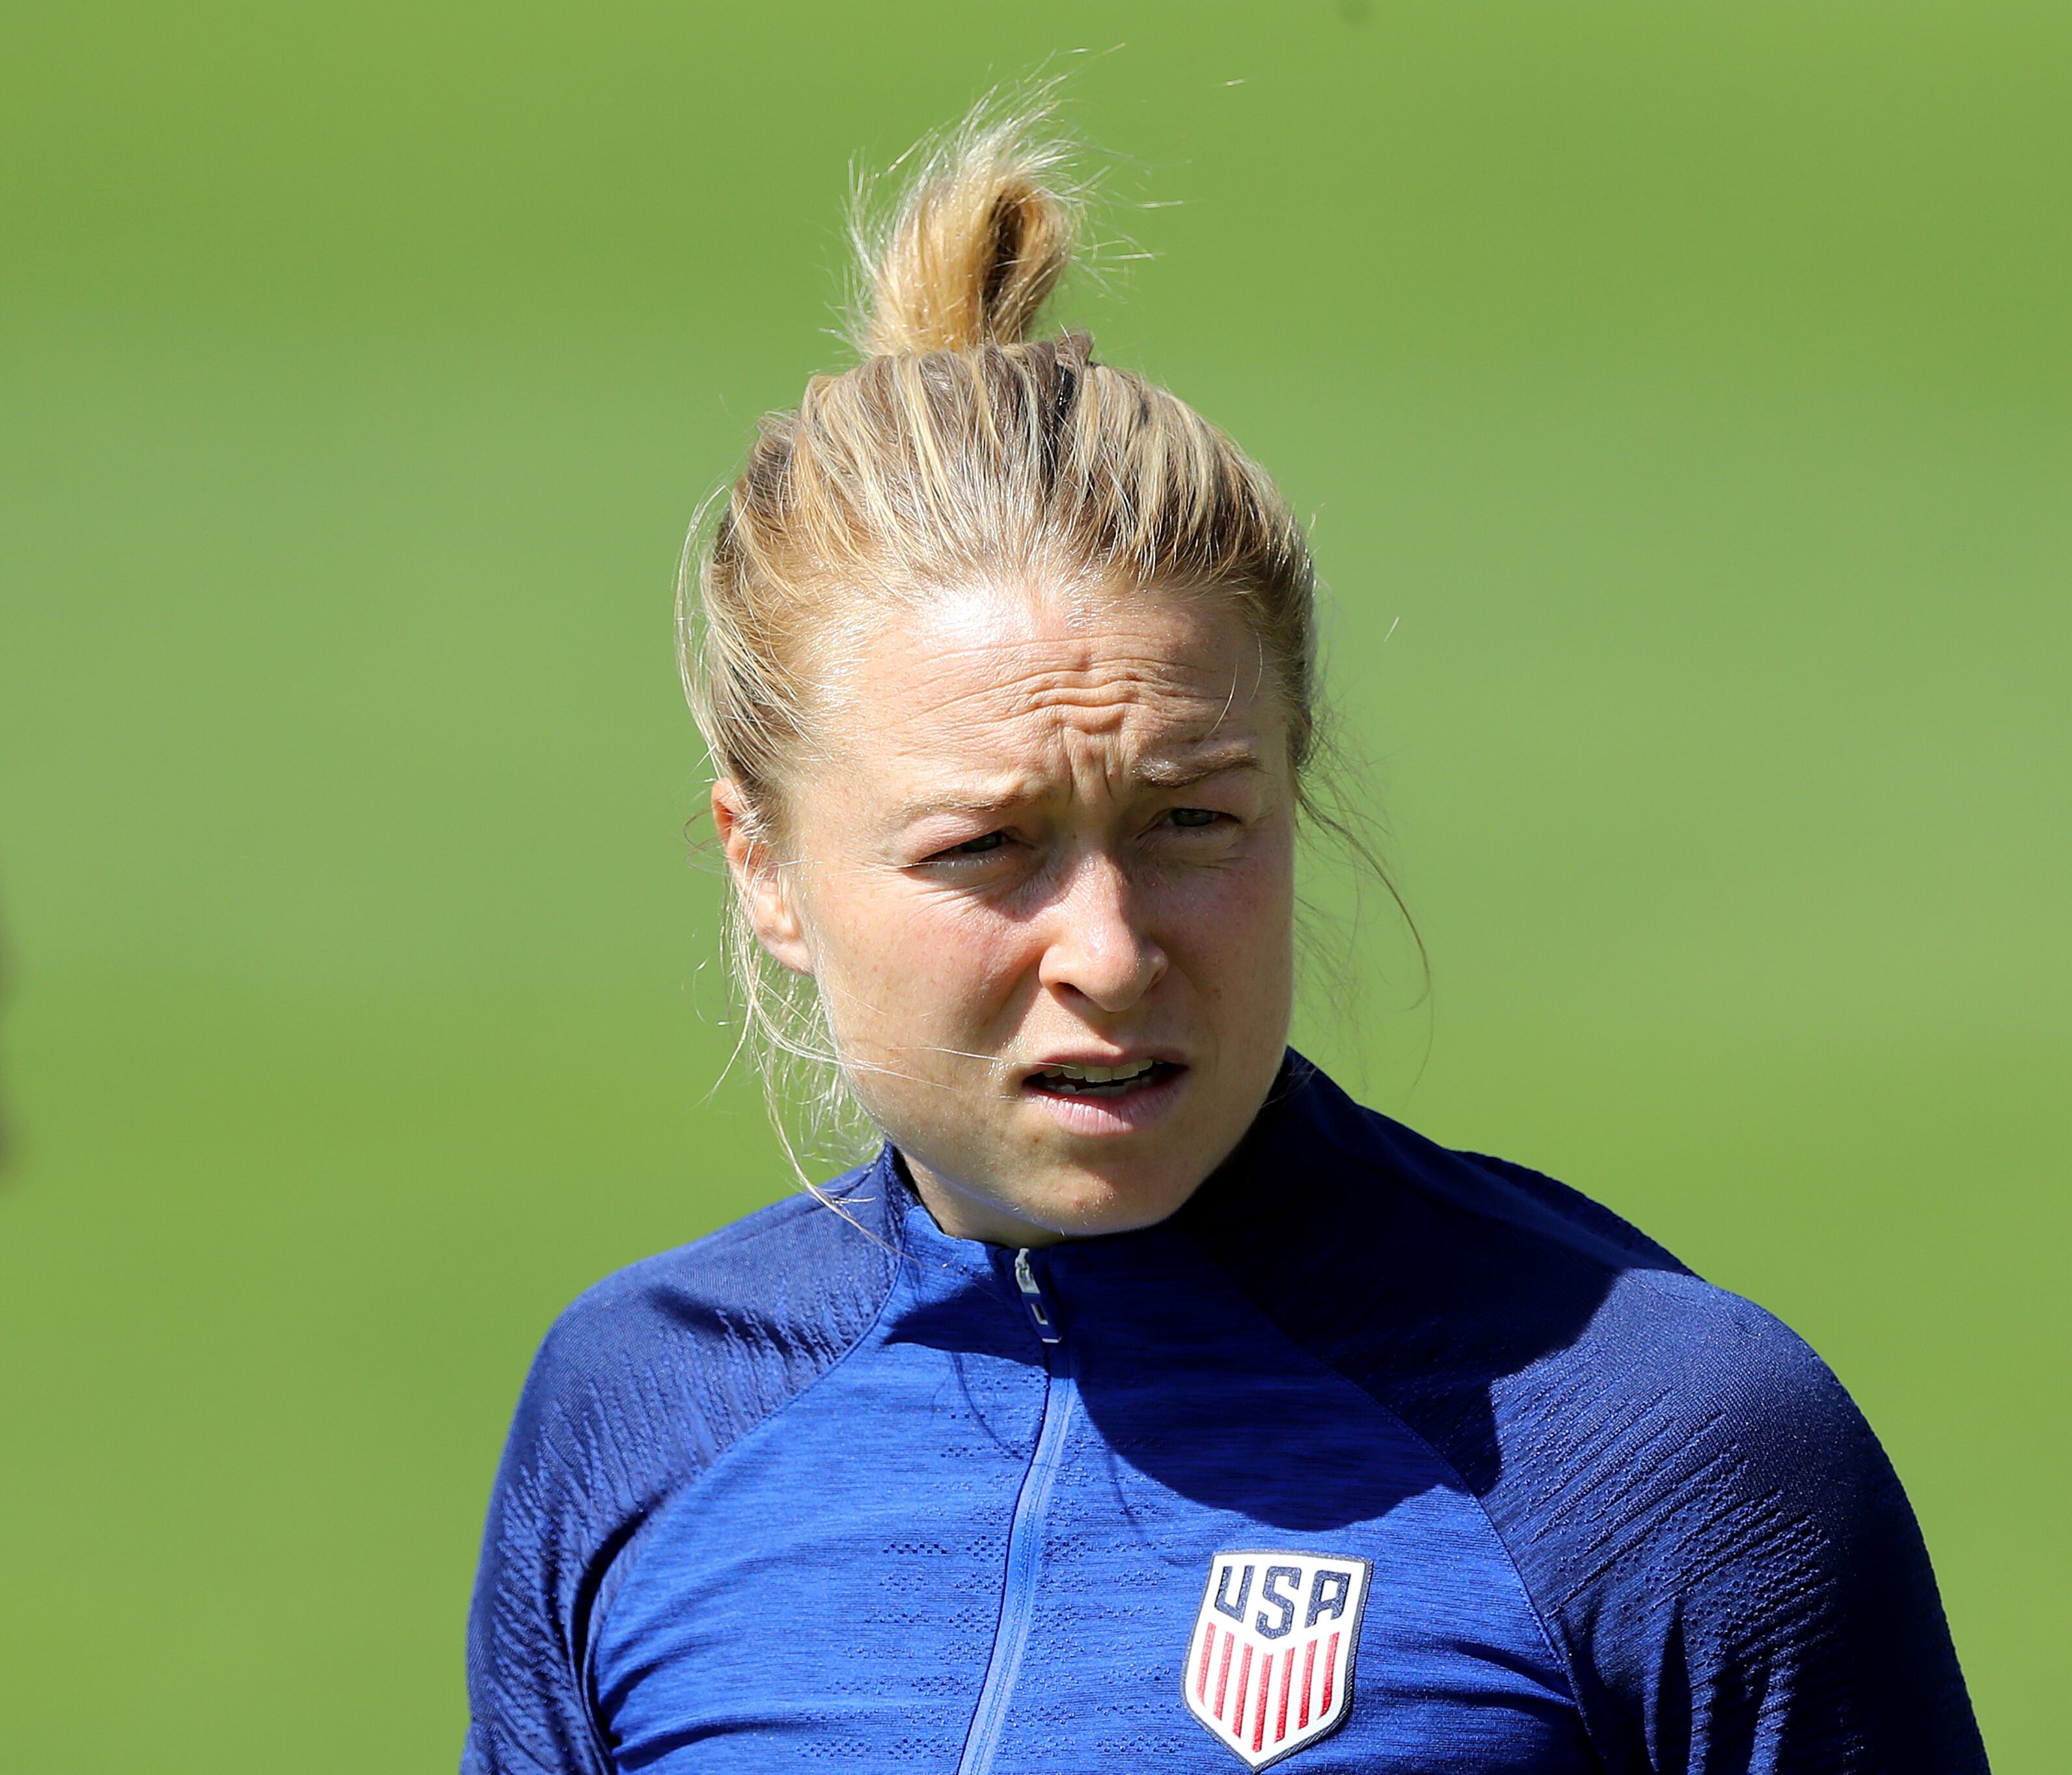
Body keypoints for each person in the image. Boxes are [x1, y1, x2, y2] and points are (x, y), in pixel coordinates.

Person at [461, 101, 1989, 1775]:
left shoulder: (1661, 1445)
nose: (1109, 951)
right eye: (988, 847)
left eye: (1192, 823)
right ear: (763, 866)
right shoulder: (636, 1424)